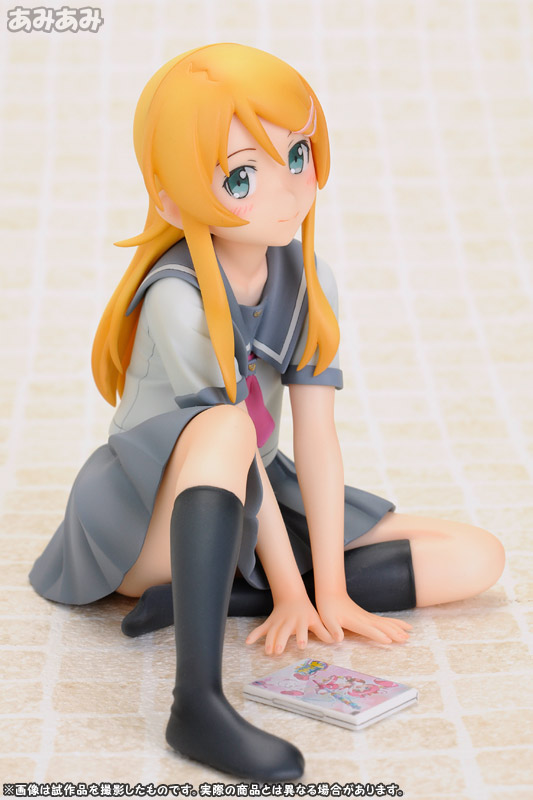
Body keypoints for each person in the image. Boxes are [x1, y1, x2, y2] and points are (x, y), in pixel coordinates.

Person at [29, 43, 505, 780]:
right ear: (170, 199)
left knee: (474, 556)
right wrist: (289, 586)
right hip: (148, 516)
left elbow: (314, 437)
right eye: (242, 176)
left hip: (254, 493)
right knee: (226, 424)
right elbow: (239, 443)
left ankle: (220, 596)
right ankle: (196, 702)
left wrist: (331, 591)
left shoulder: (308, 277)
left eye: (298, 156)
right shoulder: (178, 298)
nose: (286, 191)